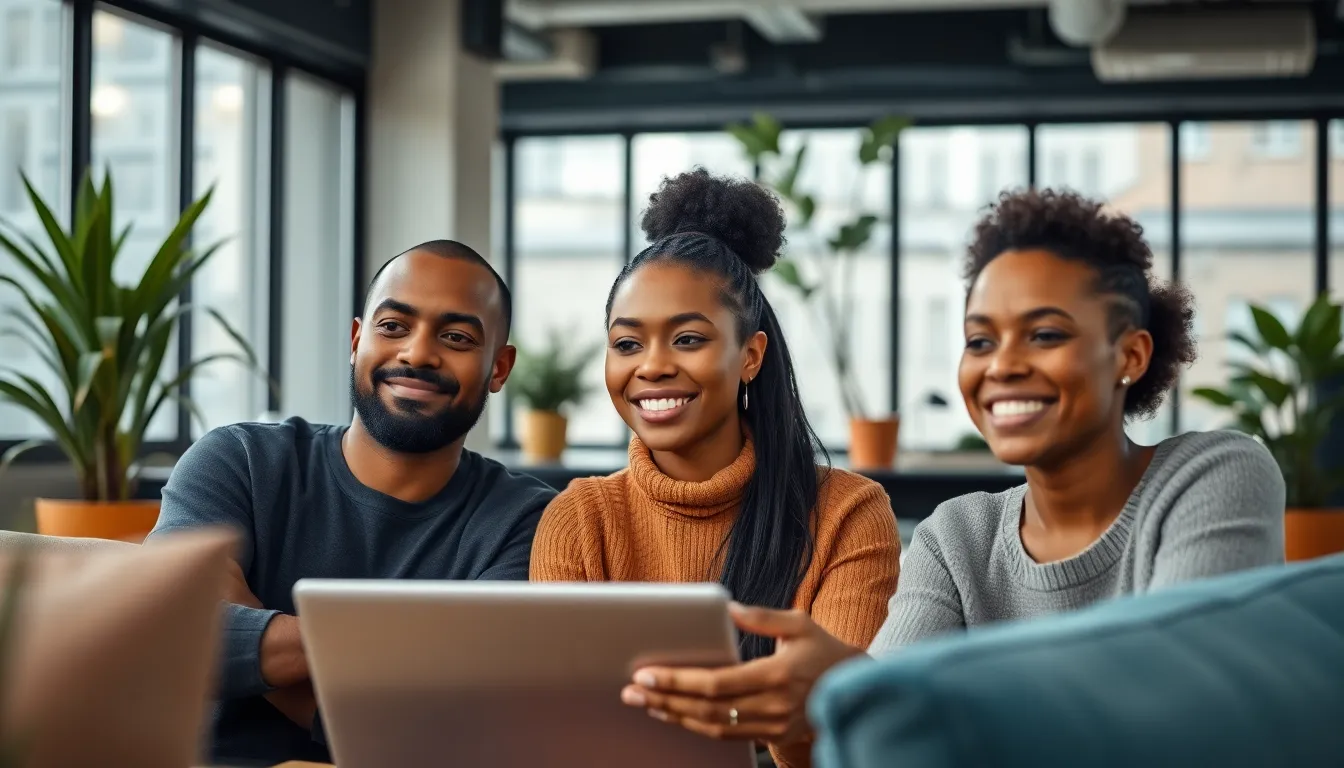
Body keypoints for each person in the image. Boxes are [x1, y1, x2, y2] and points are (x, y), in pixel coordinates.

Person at [614, 188, 1287, 765]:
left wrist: (870, 691)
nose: (1003, 366)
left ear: (1130, 355)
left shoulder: (1213, 474)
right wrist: (828, 703)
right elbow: (893, 728)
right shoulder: (957, 537)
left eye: (1045, 335)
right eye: (980, 340)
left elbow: (1181, 707)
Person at [529, 169, 902, 768]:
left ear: (750, 355)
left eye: (687, 339)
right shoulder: (578, 519)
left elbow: (847, 743)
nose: (650, 366)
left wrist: (795, 715)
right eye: (627, 344)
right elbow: (565, 735)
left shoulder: (848, 512)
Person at [147, 240, 557, 766]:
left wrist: (249, 626)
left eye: (455, 336)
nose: (416, 354)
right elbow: (162, 637)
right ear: (357, 339)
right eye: (393, 327)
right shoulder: (240, 462)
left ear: (499, 368)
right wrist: (424, 645)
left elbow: (456, 729)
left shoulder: (529, 520)